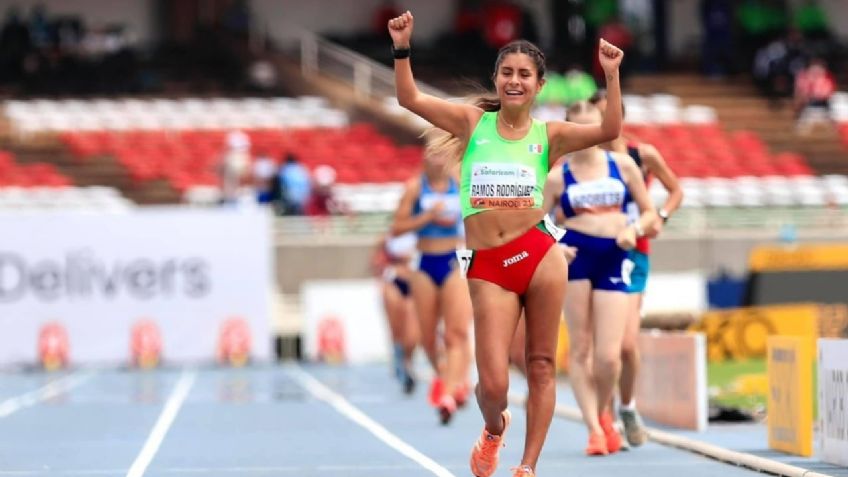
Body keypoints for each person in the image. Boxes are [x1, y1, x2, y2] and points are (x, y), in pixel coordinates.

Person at [388, 10, 624, 476]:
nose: (515, 81)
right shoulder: (471, 123)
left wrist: (611, 75)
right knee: (493, 384)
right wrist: (401, 48)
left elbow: (608, 129)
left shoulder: (549, 135)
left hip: (539, 253)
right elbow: (408, 96)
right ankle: (494, 430)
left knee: (540, 364)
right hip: (489, 265)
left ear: (539, 86)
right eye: (507, 73)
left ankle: (527, 466)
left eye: (525, 75)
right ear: (496, 79)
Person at [541, 100, 656, 456]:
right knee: (581, 348)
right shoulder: (558, 176)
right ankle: (593, 428)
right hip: (575, 258)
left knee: (609, 356)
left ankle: (606, 410)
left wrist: (634, 228)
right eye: (579, 125)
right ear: (570, 130)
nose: (587, 132)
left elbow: (651, 214)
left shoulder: (622, 166)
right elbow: (535, 221)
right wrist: (554, 245)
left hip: (614, 254)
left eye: (593, 124)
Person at [590, 89, 684, 448]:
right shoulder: (586, 160)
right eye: (596, 116)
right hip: (594, 256)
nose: (602, 122)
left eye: (608, 114)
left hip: (633, 254)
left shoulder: (641, 155)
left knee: (626, 345)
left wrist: (658, 216)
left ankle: (627, 407)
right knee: (602, 349)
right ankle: (604, 417)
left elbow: (675, 190)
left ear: (620, 116)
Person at [391, 129, 473, 424]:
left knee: (455, 332)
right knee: (427, 337)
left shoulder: (458, 184)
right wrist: (426, 216)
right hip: (425, 262)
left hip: (453, 259)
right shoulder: (416, 188)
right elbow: (397, 228)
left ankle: (450, 394)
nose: (438, 157)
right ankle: (445, 378)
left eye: (443, 152)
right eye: (433, 151)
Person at [371, 230, 419, 394]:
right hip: (393, 281)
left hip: (414, 282)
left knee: (412, 333)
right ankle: (400, 362)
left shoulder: (420, 228)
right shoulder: (390, 235)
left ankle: (408, 361)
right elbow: (377, 260)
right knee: (396, 329)